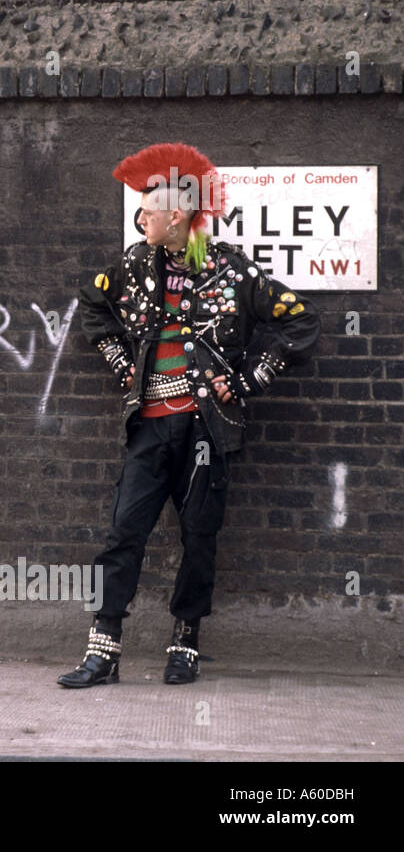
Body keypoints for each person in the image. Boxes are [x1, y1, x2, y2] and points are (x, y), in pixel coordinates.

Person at [58, 142, 321, 688]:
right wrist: (122, 364)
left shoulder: (233, 271)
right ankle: (103, 648)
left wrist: (248, 380)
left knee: (199, 536)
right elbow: (91, 303)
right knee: (123, 532)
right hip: (150, 426)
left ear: (174, 215)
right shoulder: (134, 266)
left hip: (207, 428)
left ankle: (185, 642)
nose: (140, 220)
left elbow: (301, 322)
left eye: (147, 211)